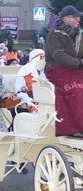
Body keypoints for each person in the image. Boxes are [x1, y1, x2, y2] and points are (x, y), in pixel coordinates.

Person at [45, 5, 83, 137]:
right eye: (75, 17)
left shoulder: (79, 35)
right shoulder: (54, 35)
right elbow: (58, 55)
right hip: (57, 69)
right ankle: (76, 127)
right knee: (76, 90)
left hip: (76, 70)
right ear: (66, 18)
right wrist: (79, 63)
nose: (79, 19)